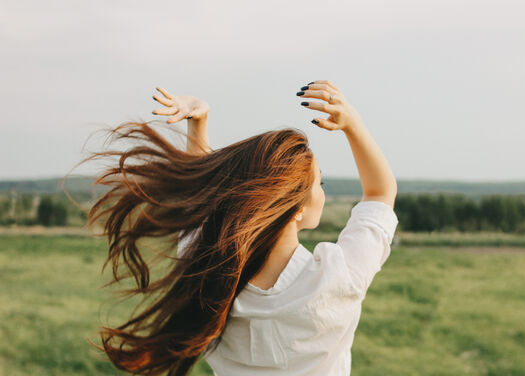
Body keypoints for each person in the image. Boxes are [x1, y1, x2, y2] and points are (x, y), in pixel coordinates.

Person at [88, 80, 398, 376]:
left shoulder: (207, 275)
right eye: (319, 183)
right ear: (296, 208)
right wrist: (353, 123)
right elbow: (380, 193)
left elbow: (199, 206)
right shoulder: (338, 277)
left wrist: (199, 123)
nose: (322, 192)